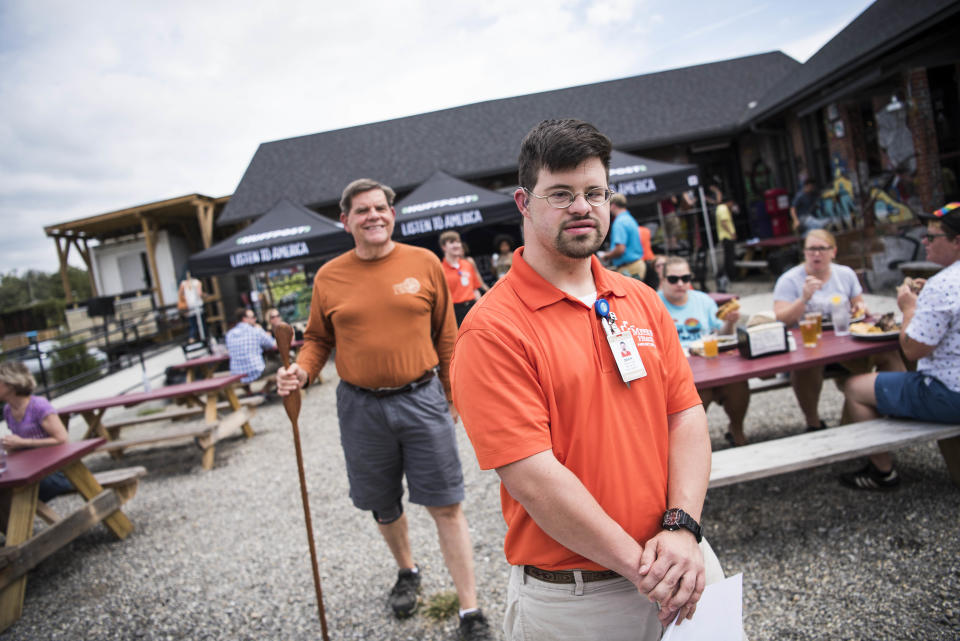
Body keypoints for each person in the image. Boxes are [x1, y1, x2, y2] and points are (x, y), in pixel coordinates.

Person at [451, 119, 728, 641]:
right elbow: (534, 477)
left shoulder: (640, 298)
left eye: (594, 192)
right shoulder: (491, 330)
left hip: (682, 557)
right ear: (523, 202)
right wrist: (645, 569)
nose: (582, 206)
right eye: (560, 193)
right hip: (580, 600)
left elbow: (685, 415)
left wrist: (683, 528)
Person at [275, 178, 492, 639]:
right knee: (382, 503)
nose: (373, 215)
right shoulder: (329, 276)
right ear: (345, 220)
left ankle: (470, 612)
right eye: (362, 210)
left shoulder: (425, 262)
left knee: (446, 503)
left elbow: (447, 335)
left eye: (380, 207)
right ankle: (408, 571)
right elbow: (316, 340)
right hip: (360, 407)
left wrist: (454, 394)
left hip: (421, 399)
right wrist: (302, 372)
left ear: (392, 214)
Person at [840, 202, 960, 490]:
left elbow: (913, 350)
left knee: (854, 387)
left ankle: (882, 472)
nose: (924, 242)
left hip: (950, 394)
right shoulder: (940, 284)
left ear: (957, 241)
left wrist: (908, 308)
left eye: (932, 237)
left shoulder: (942, 285)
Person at [773, 229, 903, 431]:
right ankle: (813, 422)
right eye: (811, 249)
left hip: (846, 342)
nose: (816, 254)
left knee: (890, 354)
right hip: (810, 344)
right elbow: (780, 318)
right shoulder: (789, 280)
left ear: (833, 251)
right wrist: (804, 298)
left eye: (821, 249)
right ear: (804, 252)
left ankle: (897, 409)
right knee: (805, 364)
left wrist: (860, 309)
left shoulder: (845, 274)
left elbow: (859, 307)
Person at [659, 257, 750, 446]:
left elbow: (722, 335)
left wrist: (730, 322)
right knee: (698, 392)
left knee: (738, 384)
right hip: (678, 372)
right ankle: (691, 444)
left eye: (686, 277)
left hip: (710, 365)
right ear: (662, 278)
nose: (681, 283)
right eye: (673, 279)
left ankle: (736, 429)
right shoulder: (652, 303)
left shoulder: (702, 300)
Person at [0, 362, 74, 502]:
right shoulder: (8, 410)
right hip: (30, 470)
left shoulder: (38, 405)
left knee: (10, 496)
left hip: (55, 473)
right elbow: (18, 447)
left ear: (10, 384)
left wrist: (22, 442)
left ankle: (17, 522)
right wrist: (10, 446)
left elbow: (62, 439)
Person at [440, 230, 487, 326]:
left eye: (458, 242)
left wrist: (481, 308)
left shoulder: (467, 264)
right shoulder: (440, 269)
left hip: (472, 307)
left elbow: (475, 289)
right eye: (452, 242)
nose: (456, 245)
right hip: (454, 311)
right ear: (444, 247)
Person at [225, 307, 278, 387]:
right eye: (253, 317)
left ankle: (250, 392)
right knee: (280, 362)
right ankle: (266, 390)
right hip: (255, 372)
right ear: (244, 319)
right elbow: (272, 344)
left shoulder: (229, 334)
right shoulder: (256, 330)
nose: (255, 319)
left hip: (236, 373)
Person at [599, 193, 646, 279]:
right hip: (637, 265)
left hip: (629, 268)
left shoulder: (619, 222)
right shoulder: (629, 218)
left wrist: (606, 256)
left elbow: (620, 249)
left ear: (613, 205)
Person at [714, 187, 738, 292]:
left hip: (724, 236)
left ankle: (725, 275)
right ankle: (730, 275)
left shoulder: (720, 208)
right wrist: (731, 233)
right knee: (729, 257)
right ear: (730, 202)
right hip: (727, 236)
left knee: (728, 256)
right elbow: (724, 222)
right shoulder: (723, 209)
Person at [178, 271, 204, 342]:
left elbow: (180, 294)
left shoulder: (183, 283)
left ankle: (192, 338)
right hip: (197, 305)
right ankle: (202, 338)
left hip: (188, 306)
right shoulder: (197, 282)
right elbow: (200, 293)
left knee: (193, 324)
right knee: (201, 323)